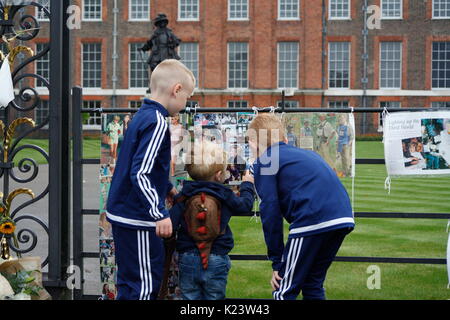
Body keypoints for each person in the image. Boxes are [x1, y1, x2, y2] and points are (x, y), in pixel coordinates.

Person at [106, 59, 196, 300]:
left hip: (124, 213)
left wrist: (167, 188)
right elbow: (141, 172)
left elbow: (141, 164)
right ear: (176, 89)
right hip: (138, 218)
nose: (186, 103)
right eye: (187, 96)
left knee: (128, 282)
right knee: (144, 286)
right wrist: (159, 213)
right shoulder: (157, 122)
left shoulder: (142, 116)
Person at [248, 113, 354, 300]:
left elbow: (270, 211)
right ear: (285, 139)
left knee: (284, 290)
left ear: (254, 145)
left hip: (312, 218)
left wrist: (278, 262)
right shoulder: (304, 154)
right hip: (342, 216)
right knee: (312, 283)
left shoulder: (265, 161)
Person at [169, 140, 255, 300]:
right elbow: (245, 206)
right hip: (216, 257)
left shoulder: (184, 196)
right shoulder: (224, 195)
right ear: (219, 175)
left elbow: (171, 223)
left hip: (188, 257)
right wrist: (247, 185)